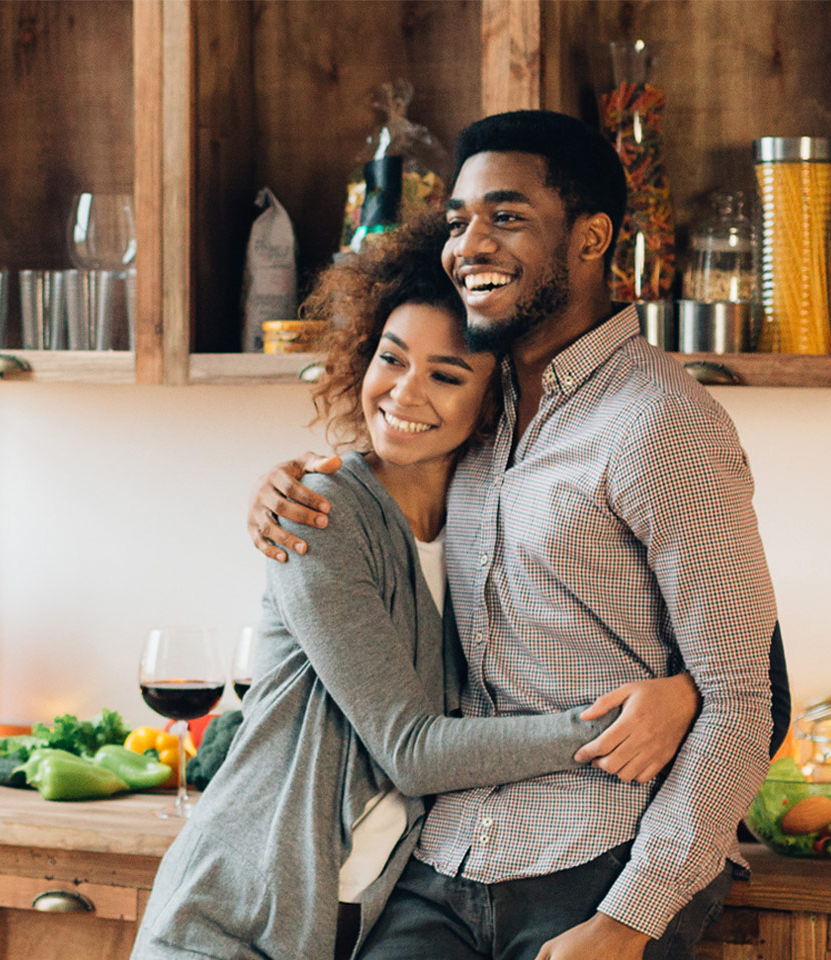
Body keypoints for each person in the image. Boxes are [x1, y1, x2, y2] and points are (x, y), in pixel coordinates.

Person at [245, 111, 780, 960]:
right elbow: (394, 439)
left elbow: (746, 702)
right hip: (445, 860)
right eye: (457, 222)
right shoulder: (482, 416)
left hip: (596, 865)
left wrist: (628, 920)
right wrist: (291, 485)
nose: (469, 245)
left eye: (506, 216)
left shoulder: (662, 426)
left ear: (592, 237)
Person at [130, 212, 701, 960]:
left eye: (447, 374)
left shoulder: (492, 518)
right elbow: (413, 751)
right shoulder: (320, 514)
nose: (404, 392)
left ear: (496, 398)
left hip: (352, 922)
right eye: (391, 360)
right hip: (235, 920)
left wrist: (687, 692)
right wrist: (625, 729)